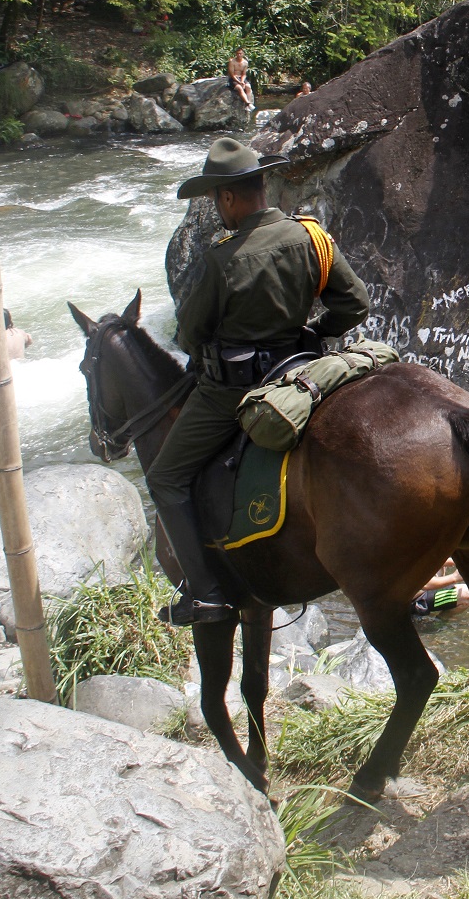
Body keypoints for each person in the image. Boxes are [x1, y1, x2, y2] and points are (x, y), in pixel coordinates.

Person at [146, 137, 371, 625]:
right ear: (261, 186)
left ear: (227, 198)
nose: (217, 208)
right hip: (303, 370)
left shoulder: (222, 259)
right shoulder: (311, 237)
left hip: (234, 390)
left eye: (214, 200)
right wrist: (314, 331)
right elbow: (355, 304)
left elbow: (190, 334)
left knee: (164, 477)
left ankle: (204, 592)